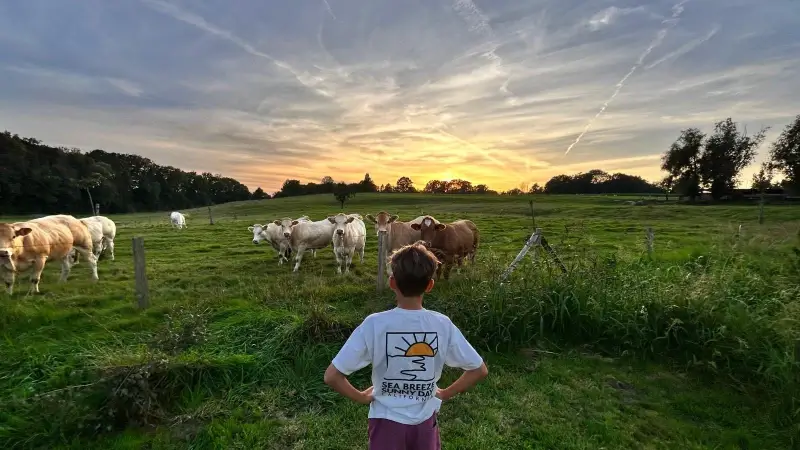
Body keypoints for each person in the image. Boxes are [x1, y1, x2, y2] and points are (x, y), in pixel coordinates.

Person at [324, 241, 489, 450]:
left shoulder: (374, 324)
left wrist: (362, 397)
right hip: (425, 422)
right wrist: (445, 393)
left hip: (385, 420)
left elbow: (332, 376)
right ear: (430, 285)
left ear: (392, 283)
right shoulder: (442, 324)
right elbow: (479, 370)